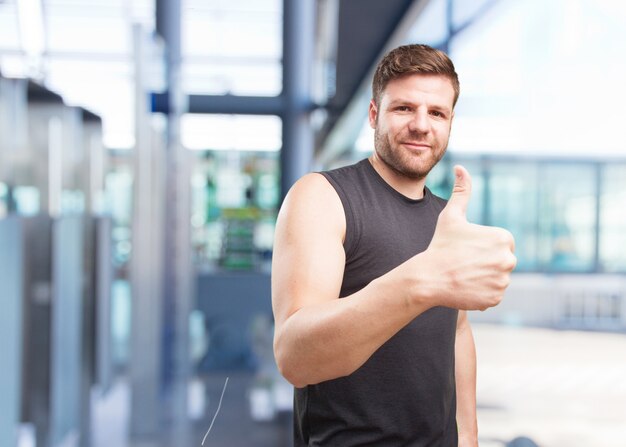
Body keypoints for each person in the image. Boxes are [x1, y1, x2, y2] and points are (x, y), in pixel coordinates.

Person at [271, 43, 516, 446]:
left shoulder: (446, 219)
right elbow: (296, 357)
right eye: (404, 108)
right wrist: (420, 280)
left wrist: (468, 436)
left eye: (437, 113)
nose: (422, 125)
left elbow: (456, 333)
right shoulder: (322, 197)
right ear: (373, 115)